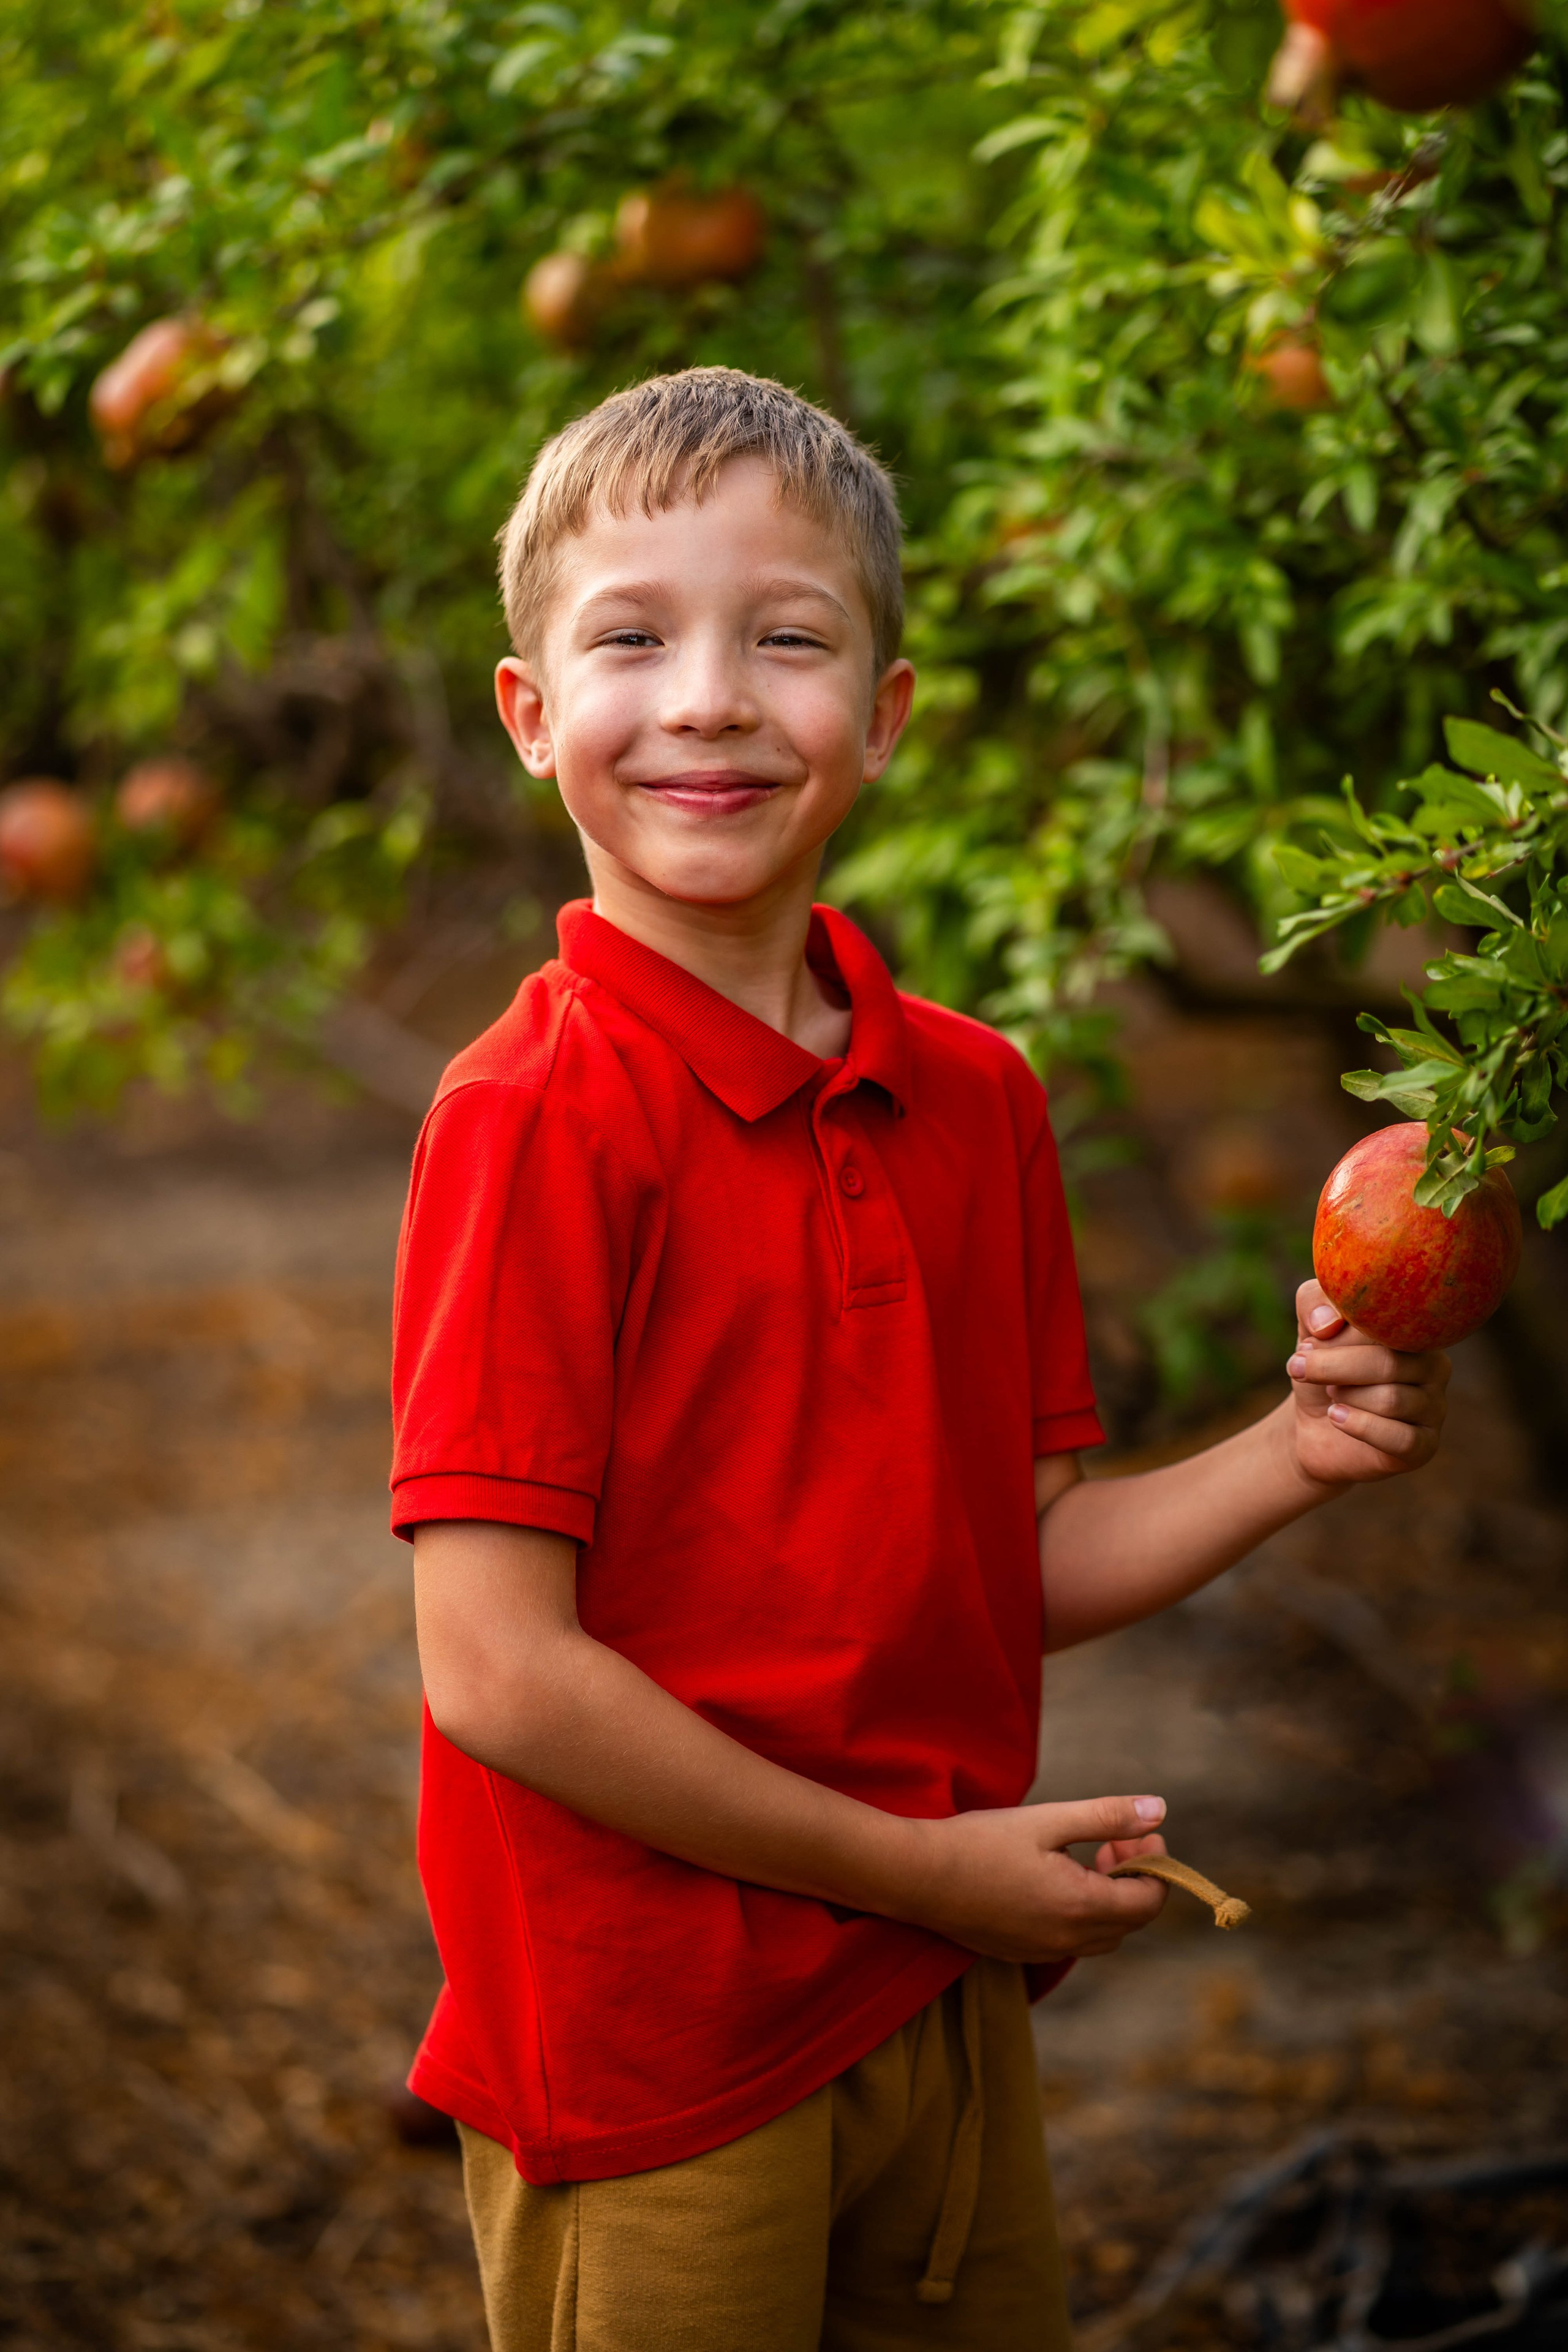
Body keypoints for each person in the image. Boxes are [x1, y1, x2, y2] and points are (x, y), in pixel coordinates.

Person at [389, 367, 1450, 2352]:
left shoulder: (972, 1098)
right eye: (632, 637)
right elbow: (497, 1673)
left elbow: (1004, 1565)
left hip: (933, 1999)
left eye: (785, 638)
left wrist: (1294, 1454)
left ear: (880, 716)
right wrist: (926, 1869)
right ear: (535, 719)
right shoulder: (534, 1117)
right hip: (659, 2046)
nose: (708, 695)